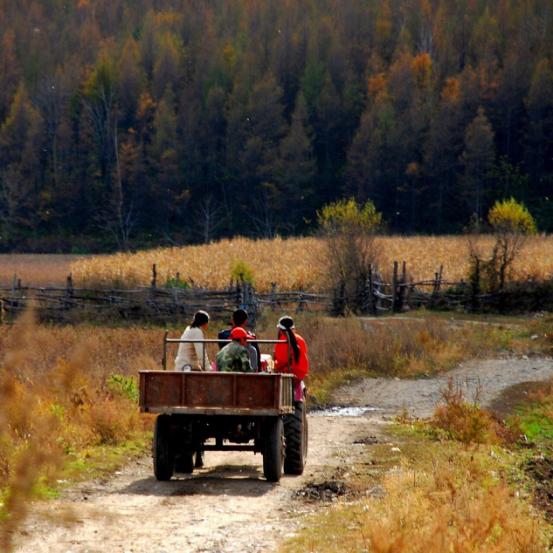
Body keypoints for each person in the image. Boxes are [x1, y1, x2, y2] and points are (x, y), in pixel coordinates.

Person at [273, 316, 309, 382]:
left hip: (289, 374)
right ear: (293, 328)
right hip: (301, 374)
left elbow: (281, 362)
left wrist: (273, 365)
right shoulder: (300, 339)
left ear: (280, 330)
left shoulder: (282, 341)